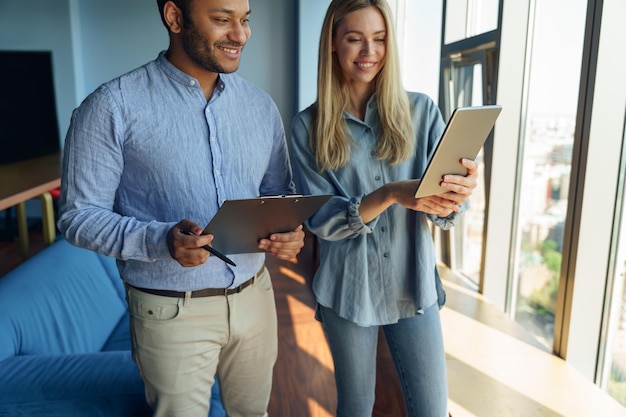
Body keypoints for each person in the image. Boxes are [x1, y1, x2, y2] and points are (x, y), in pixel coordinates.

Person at [57, 0, 305, 416]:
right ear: (174, 18)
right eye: (223, 20)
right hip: (171, 309)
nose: (240, 35)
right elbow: (78, 216)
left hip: (255, 297)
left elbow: (279, 191)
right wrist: (160, 239)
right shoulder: (110, 106)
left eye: (244, 21)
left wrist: (289, 230)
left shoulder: (261, 107)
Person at [289, 0, 478, 416]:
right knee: (356, 407)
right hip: (347, 290)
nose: (368, 52)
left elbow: (442, 212)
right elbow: (323, 221)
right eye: (354, 39)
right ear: (333, 45)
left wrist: (455, 195)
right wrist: (390, 193)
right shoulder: (307, 127)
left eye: (379, 39)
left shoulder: (422, 110)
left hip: (414, 284)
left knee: (430, 409)